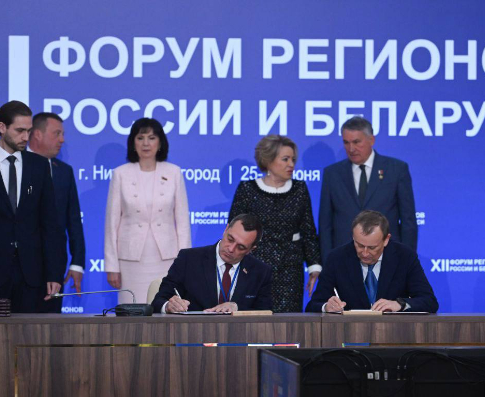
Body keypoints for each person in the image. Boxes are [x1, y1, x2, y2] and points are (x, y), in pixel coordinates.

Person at [0, 101, 66, 312]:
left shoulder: (39, 166)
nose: (26, 137)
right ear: (2, 127)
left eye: (28, 131)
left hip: (33, 276)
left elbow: (50, 224)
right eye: (20, 131)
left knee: (32, 332)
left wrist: (54, 273)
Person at [229, 135, 321, 313]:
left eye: (293, 159)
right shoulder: (247, 189)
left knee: (289, 323)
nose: (291, 164)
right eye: (285, 159)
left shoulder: (300, 189)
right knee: (256, 319)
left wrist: (314, 266)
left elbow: (308, 230)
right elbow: (235, 231)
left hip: (290, 270)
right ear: (268, 160)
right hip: (255, 267)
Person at [104, 118, 191, 304]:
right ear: (132, 142)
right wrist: (112, 265)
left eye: (151, 138)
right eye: (140, 138)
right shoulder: (120, 174)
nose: (146, 143)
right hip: (130, 261)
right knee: (132, 310)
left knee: (165, 308)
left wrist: (185, 263)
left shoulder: (174, 172)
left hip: (167, 259)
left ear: (160, 142)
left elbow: (183, 222)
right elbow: (111, 223)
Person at [319, 116, 417, 263]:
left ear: (371, 140)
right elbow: (325, 225)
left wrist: (407, 261)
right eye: (346, 142)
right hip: (344, 259)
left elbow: (408, 221)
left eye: (356, 142)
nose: (351, 149)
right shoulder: (332, 174)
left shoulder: (396, 170)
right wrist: (328, 262)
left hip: (387, 257)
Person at [306, 210, 438, 313]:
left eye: (372, 248)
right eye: (359, 245)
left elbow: (429, 301)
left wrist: (399, 304)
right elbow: (313, 305)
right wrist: (326, 307)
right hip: (350, 334)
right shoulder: (337, 258)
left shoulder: (404, 256)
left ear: (386, 240)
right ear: (353, 237)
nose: (364, 253)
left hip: (393, 334)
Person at [152, 213, 272, 313]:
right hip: (194, 332)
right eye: (230, 239)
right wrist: (168, 306)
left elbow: (266, 312)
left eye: (240, 247)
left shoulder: (261, 271)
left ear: (251, 249)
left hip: (239, 333)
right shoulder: (188, 259)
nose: (231, 249)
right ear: (226, 229)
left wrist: (237, 308)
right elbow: (159, 300)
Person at [28, 112, 85, 313]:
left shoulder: (64, 171)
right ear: (37, 134)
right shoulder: (15, 165)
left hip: (54, 268)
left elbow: (73, 220)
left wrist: (77, 263)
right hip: (17, 267)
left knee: (50, 324)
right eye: (57, 133)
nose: (62, 139)